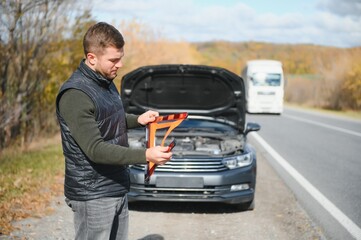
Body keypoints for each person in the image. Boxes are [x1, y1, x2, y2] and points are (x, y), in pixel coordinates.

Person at [55, 22, 172, 240]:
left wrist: (139, 119)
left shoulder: (106, 81)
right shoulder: (75, 94)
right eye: (114, 60)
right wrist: (146, 155)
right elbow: (95, 149)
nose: (120, 64)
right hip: (93, 193)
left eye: (121, 58)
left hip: (115, 184)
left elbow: (109, 120)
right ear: (92, 58)